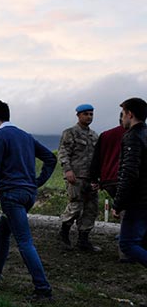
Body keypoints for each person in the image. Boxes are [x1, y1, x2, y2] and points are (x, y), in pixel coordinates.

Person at [0, 100, 56, 302]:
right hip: (29, 194)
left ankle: (43, 289)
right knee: (3, 234)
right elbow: (50, 158)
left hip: (12, 194)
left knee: (24, 241)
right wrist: (37, 182)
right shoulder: (25, 136)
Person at [57, 104, 100, 251]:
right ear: (78, 115)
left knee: (91, 209)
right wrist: (67, 170)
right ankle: (64, 234)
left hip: (91, 178)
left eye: (91, 114)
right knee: (75, 206)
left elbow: (98, 158)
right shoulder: (70, 133)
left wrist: (98, 178)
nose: (89, 117)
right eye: (86, 114)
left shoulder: (94, 136)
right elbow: (63, 152)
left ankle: (83, 240)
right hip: (75, 177)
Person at [88, 112, 128, 260]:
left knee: (126, 213)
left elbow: (96, 158)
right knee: (129, 214)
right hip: (126, 179)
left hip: (108, 180)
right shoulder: (136, 134)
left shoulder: (105, 135)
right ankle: (126, 253)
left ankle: (128, 249)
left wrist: (94, 179)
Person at [113, 97, 147, 267]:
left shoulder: (132, 137)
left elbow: (129, 173)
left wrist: (118, 204)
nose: (122, 118)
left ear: (130, 114)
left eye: (123, 114)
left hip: (138, 200)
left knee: (127, 244)